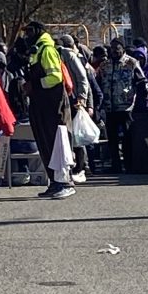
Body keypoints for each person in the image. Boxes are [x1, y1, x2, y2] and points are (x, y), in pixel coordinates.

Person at [25, 22, 74, 199]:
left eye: (29, 32)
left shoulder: (47, 50)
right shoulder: (36, 50)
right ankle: (54, 182)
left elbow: (55, 77)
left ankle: (65, 183)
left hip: (54, 107)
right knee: (46, 145)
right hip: (42, 106)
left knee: (58, 144)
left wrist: (35, 85)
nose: (27, 36)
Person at [99, 38, 143, 171]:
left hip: (126, 106)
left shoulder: (131, 63)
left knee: (127, 137)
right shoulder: (104, 65)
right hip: (109, 107)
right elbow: (99, 82)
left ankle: (129, 164)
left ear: (123, 49)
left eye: (117, 49)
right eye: (112, 49)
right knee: (112, 138)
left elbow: (141, 81)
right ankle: (115, 165)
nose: (114, 51)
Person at [59, 35, 90, 183]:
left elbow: (82, 78)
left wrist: (82, 97)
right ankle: (73, 166)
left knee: (76, 134)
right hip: (64, 99)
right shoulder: (65, 54)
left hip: (73, 99)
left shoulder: (69, 56)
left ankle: (80, 167)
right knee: (69, 134)